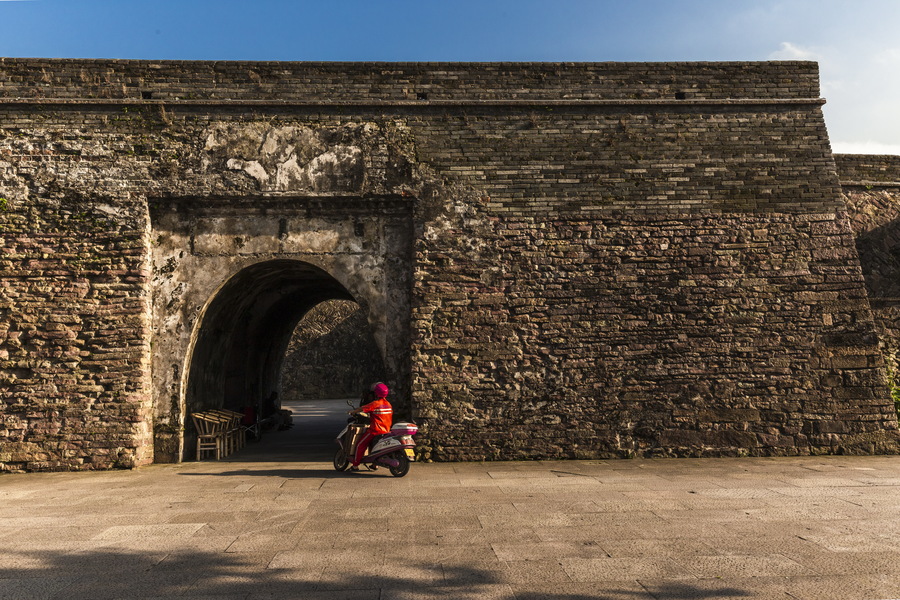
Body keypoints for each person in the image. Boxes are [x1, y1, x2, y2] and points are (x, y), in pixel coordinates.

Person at [349, 382, 392, 470]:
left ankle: (355, 465)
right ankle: (374, 464)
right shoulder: (388, 404)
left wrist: (352, 412)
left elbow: (362, 408)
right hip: (386, 430)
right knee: (374, 446)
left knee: (360, 445)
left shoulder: (375, 404)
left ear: (376, 393)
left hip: (375, 430)